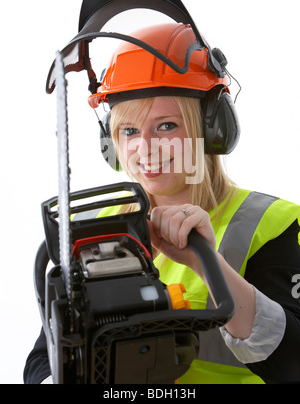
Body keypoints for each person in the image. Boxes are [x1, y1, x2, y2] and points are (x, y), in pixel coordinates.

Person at [24, 22, 300, 384]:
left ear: (212, 127)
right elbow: (43, 361)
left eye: (167, 126)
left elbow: (294, 362)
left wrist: (208, 265)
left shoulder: (268, 224)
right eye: (130, 130)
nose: (145, 147)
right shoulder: (93, 226)